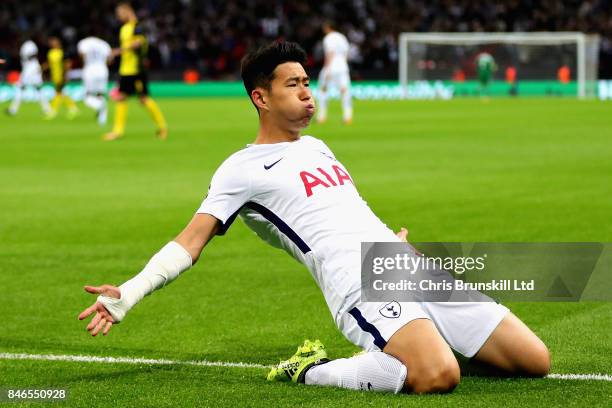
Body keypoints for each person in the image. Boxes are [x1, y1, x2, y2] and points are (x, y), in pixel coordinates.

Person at [78, 41, 550, 395]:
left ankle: (417, 340)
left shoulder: (318, 146)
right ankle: (310, 369)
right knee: (438, 375)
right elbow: (191, 241)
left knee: (534, 360)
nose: (308, 93)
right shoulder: (239, 170)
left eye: (307, 82)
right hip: (356, 282)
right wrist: (130, 292)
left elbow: (347, 211)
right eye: (293, 84)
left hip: (398, 263)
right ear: (261, 98)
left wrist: (393, 239)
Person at [103, 2, 167, 141]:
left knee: (142, 99)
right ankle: (118, 131)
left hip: (135, 69)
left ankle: (162, 127)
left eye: (119, 13)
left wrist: (119, 51)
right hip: (126, 69)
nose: (118, 17)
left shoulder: (137, 26)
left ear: (126, 11)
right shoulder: (125, 28)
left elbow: (138, 43)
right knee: (122, 97)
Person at [316, 21, 352, 124]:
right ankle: (347, 116)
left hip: (331, 67)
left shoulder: (328, 38)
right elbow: (346, 53)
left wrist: (327, 68)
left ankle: (322, 116)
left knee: (323, 89)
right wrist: (344, 65)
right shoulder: (342, 37)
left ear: (327, 27)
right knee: (345, 91)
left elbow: (330, 53)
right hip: (343, 67)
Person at [6, 40, 52, 117]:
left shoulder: (29, 44)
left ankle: (13, 109)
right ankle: (47, 109)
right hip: (32, 68)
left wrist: (26, 57)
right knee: (38, 89)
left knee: (20, 88)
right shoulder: (26, 44)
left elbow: (33, 55)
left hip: (30, 69)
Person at [78, 36, 112, 125]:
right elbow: (110, 60)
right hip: (103, 69)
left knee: (87, 96)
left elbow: (82, 56)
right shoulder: (104, 44)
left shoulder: (84, 42)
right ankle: (102, 119)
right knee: (100, 94)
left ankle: (99, 106)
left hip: (90, 69)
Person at [44, 36, 79, 119]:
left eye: (54, 41)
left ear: (58, 43)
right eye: (51, 42)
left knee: (58, 93)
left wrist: (66, 75)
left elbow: (67, 64)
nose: (52, 43)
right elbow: (49, 64)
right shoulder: (50, 53)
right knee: (61, 93)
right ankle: (73, 108)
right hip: (55, 76)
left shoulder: (62, 53)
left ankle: (53, 111)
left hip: (61, 76)